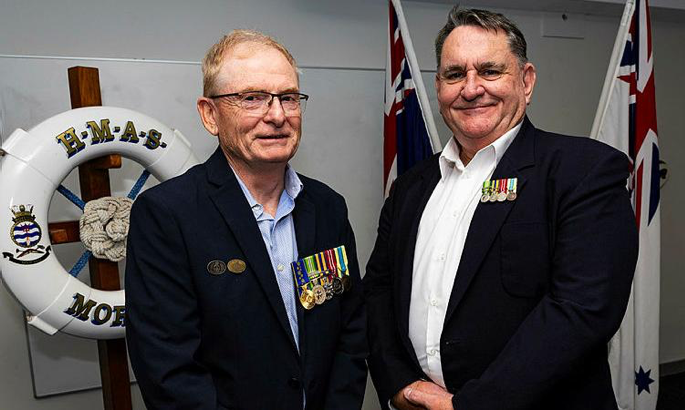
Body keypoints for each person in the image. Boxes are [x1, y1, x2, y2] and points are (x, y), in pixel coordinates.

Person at [364, 6, 638, 410]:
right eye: (455, 74)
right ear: (439, 86)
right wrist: (401, 384)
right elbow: (379, 291)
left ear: (526, 81)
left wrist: (467, 406)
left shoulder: (583, 171)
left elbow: (581, 311)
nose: (471, 88)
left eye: (490, 71)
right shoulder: (410, 187)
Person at [125, 30, 367, 410]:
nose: (277, 115)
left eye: (288, 98)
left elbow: (350, 333)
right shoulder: (167, 215)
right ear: (210, 115)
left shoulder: (328, 207)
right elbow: (168, 369)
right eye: (252, 98)